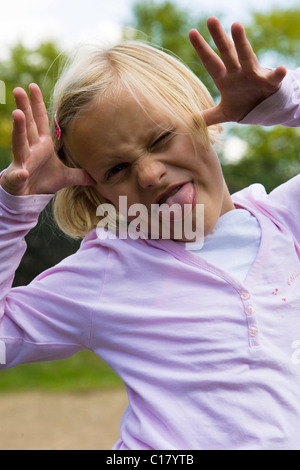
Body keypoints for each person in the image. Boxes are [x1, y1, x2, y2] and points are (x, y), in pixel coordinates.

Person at [0, 17, 299, 450]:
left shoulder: (286, 221)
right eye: (116, 169)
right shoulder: (107, 272)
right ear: (95, 190)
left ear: (205, 119)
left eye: (161, 138)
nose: (150, 173)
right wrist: (13, 212)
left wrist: (281, 103)